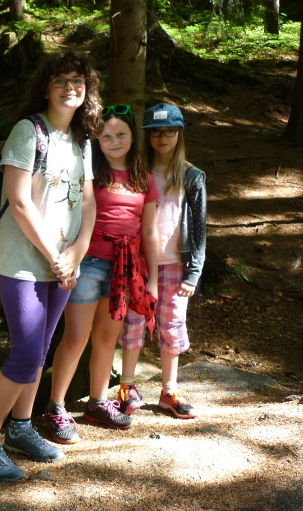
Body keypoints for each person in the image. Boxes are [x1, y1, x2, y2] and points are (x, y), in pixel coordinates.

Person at [0, 51, 102, 482]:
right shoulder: (28, 131)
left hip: (65, 262)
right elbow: (20, 202)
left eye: (77, 80)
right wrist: (56, 257)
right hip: (24, 261)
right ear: (46, 88)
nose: (69, 87)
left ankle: (21, 428)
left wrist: (79, 250)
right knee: (26, 352)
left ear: (87, 89)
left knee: (41, 351)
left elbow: (89, 200)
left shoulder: (82, 140)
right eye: (60, 80)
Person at [44, 103, 159, 444]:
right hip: (89, 262)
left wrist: (152, 279)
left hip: (124, 268)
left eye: (121, 134)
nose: (114, 142)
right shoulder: (89, 173)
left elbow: (149, 231)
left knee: (108, 339)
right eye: (106, 136)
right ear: (96, 140)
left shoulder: (143, 178)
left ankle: (97, 402)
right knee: (76, 337)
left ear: (132, 137)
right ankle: (55, 407)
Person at [117, 103, 206, 419]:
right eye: (155, 132)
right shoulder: (136, 170)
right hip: (137, 263)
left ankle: (169, 391)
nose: (162, 138)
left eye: (169, 131)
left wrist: (194, 273)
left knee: (172, 323)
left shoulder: (191, 176)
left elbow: (199, 229)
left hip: (175, 264)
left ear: (179, 134)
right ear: (147, 137)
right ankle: (127, 386)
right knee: (133, 322)